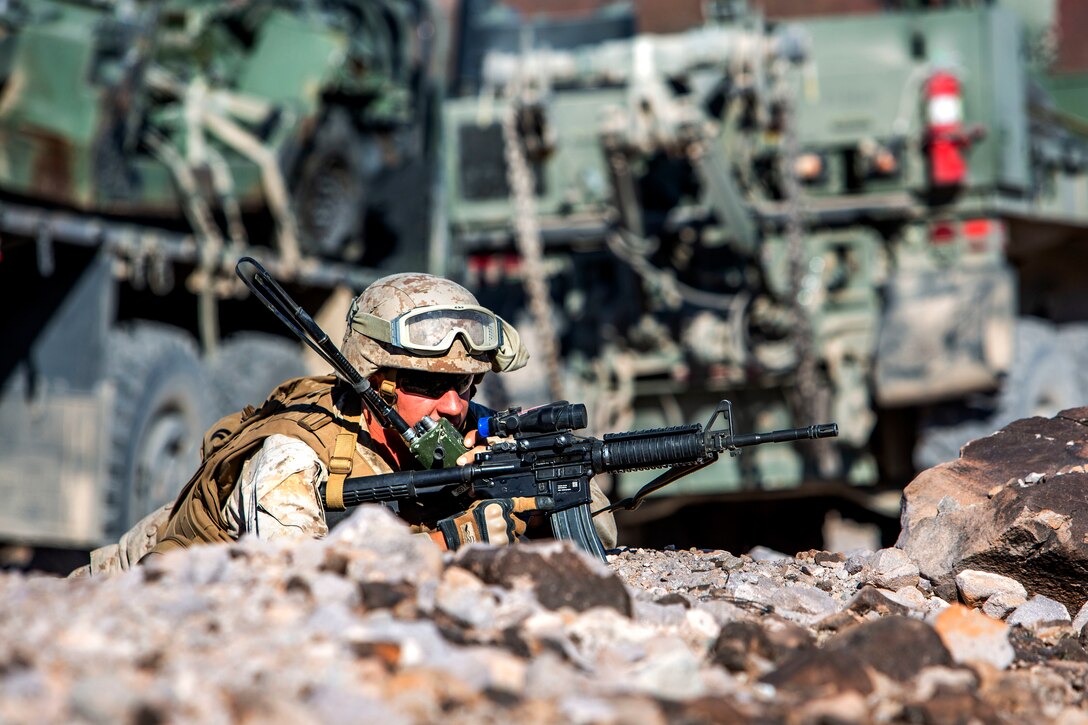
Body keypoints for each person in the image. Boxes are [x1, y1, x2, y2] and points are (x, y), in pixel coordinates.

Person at [71, 273, 617, 576]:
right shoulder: (292, 453)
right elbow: (293, 582)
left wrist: (543, 498)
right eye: (427, 387)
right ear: (373, 385)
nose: (454, 406)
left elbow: (601, 542)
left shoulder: (469, 425)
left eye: (467, 385)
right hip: (120, 600)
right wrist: (446, 544)